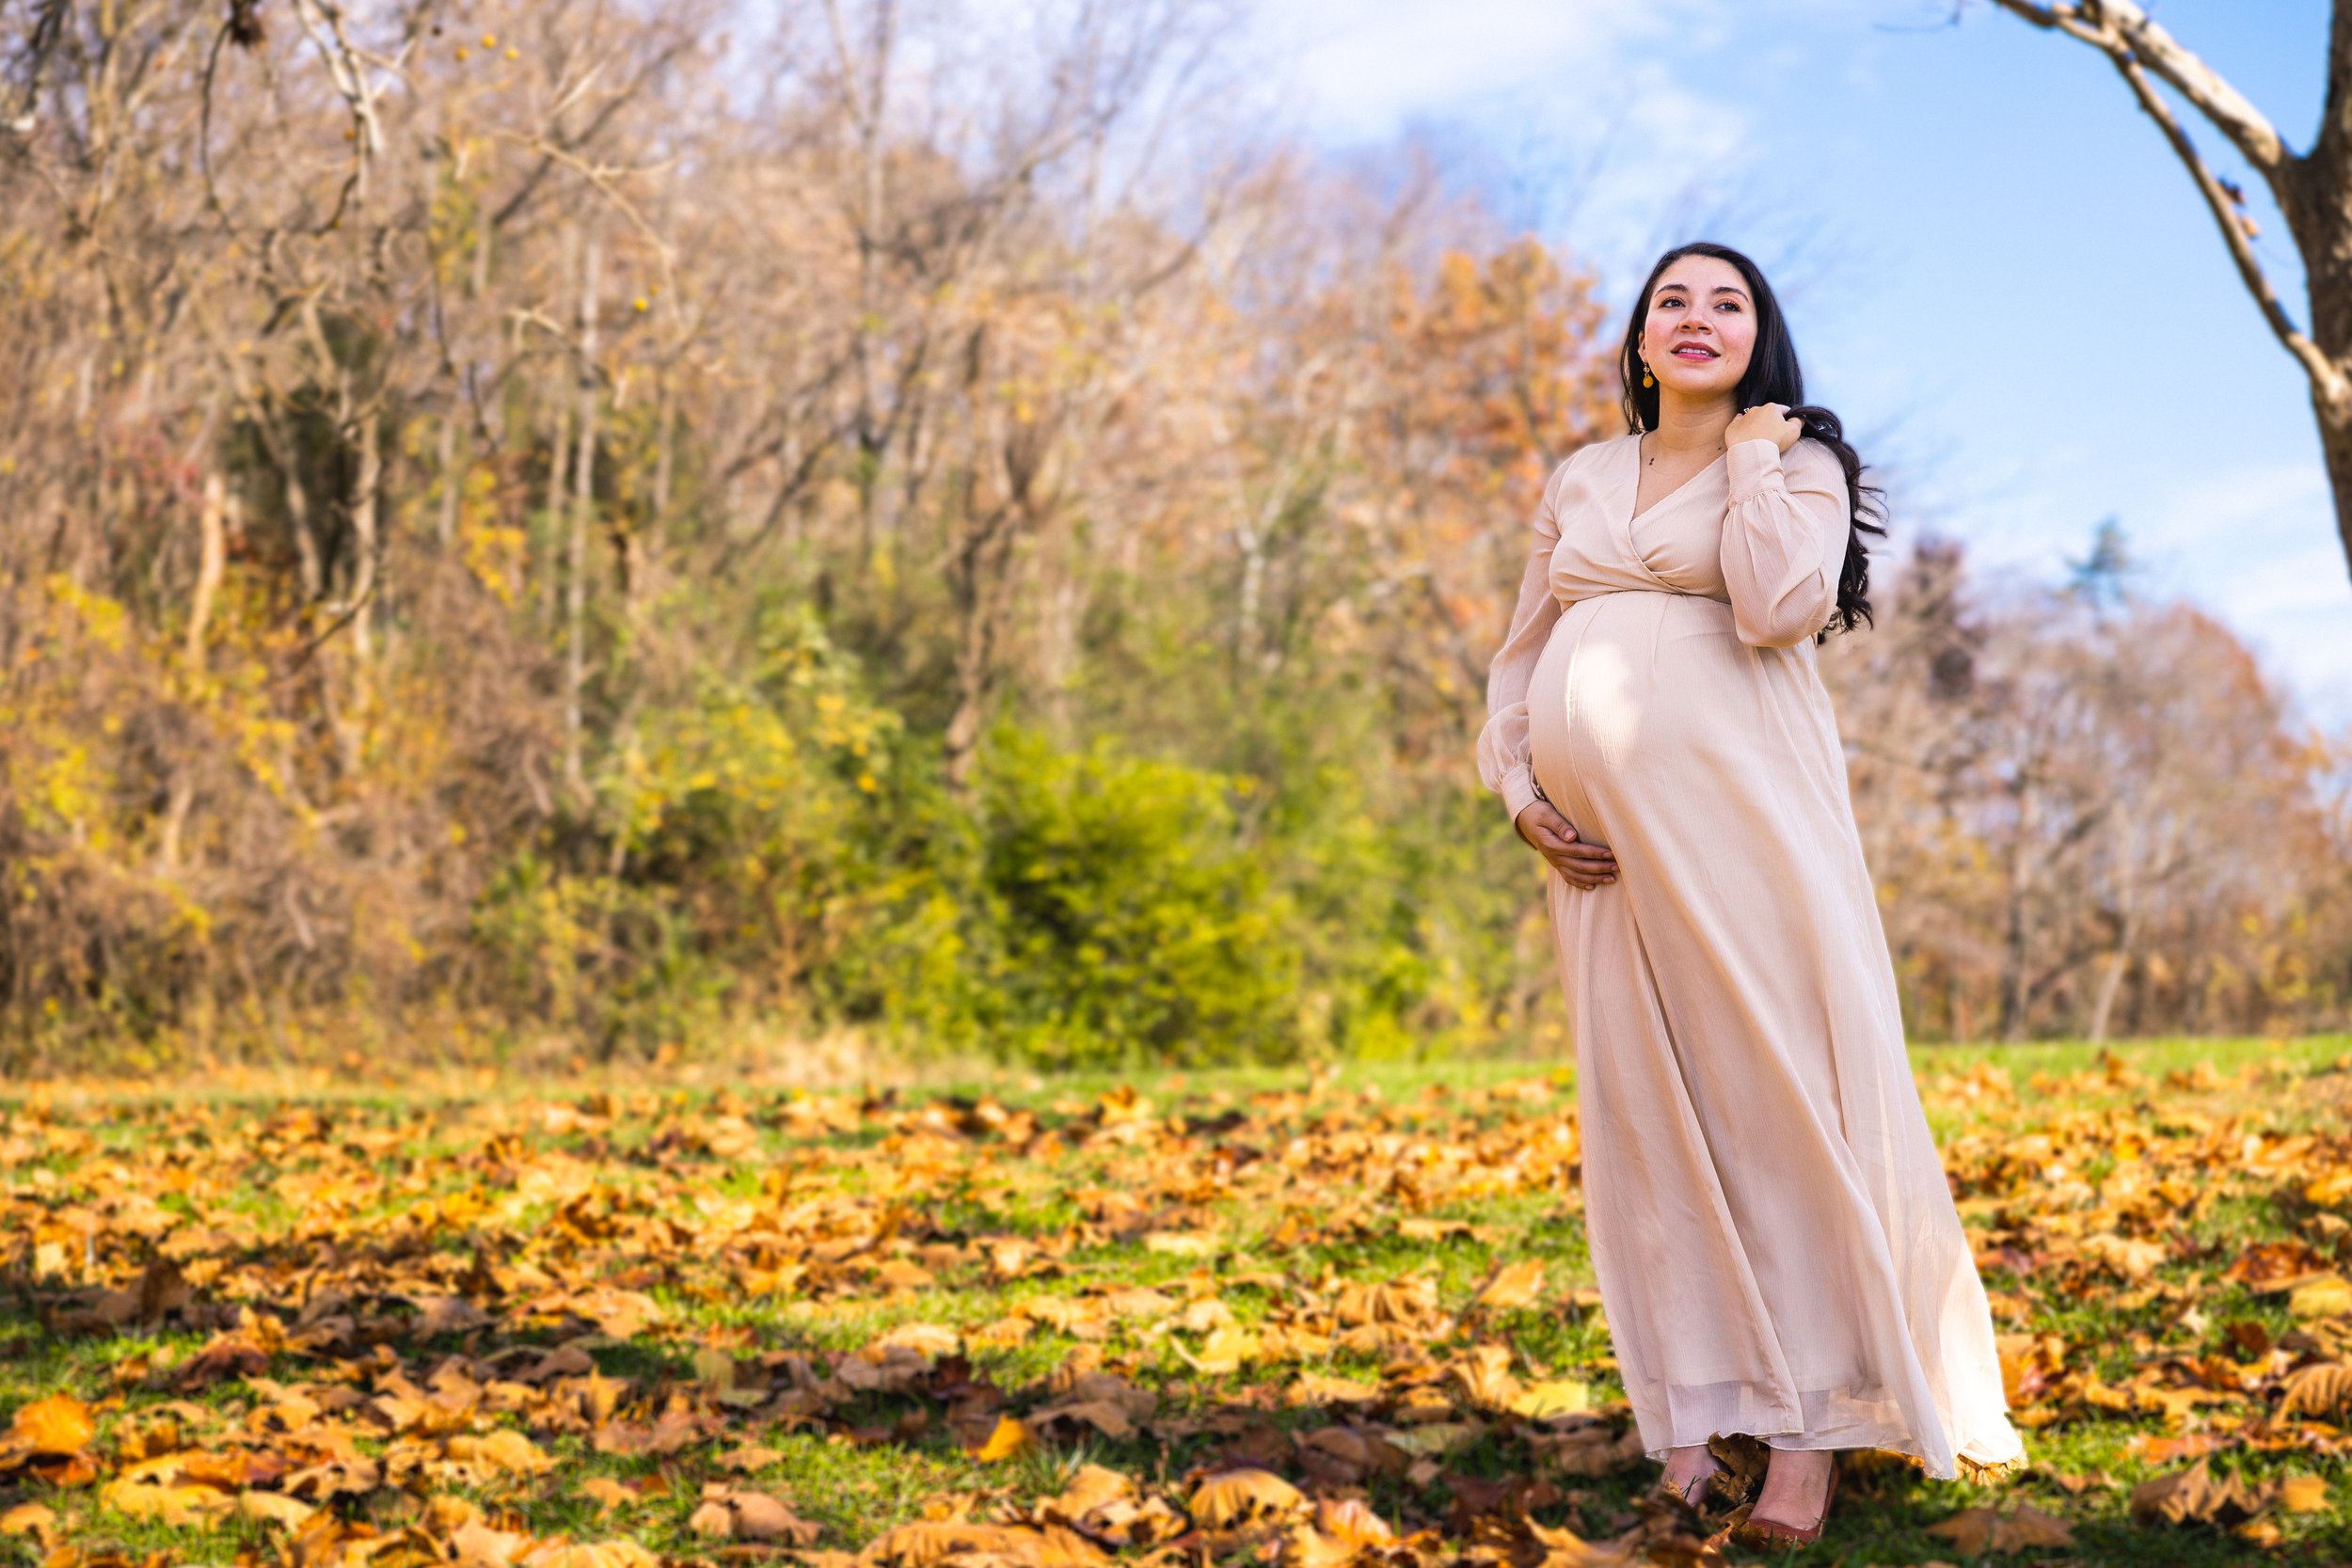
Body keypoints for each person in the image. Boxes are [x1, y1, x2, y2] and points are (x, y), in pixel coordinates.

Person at [1475, 241, 2025, 1545]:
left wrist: (1747, 460)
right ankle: (1694, 1419)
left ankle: (1810, 1433)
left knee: (1773, 1106)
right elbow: (1519, 660)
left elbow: (1779, 606)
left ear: (1759, 338)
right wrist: (1521, 792)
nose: (1698, 316)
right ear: (1641, 336)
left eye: (1729, 302)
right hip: (1599, 859)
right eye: (1675, 299)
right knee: (1649, 1125)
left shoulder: (1797, 467)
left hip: (1745, 835)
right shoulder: (1583, 477)